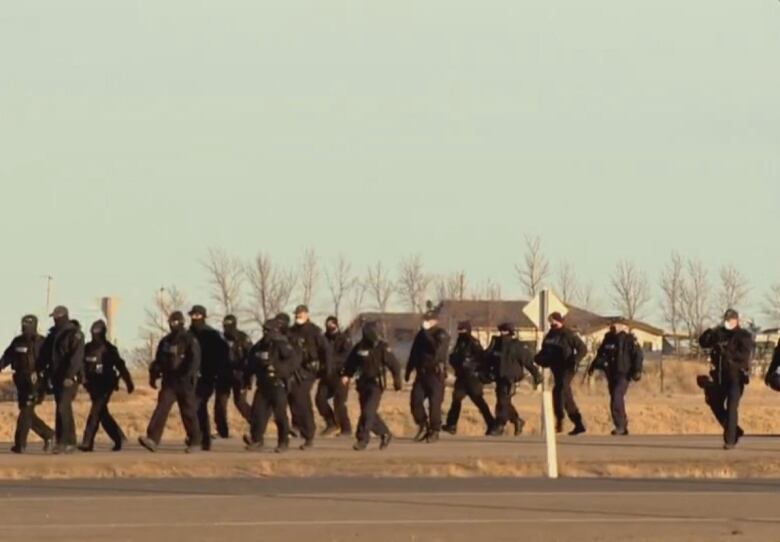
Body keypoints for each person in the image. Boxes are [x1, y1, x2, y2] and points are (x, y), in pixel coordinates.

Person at [140, 311, 203, 453]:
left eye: (176, 322)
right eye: (171, 322)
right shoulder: (165, 341)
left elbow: (194, 359)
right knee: (162, 408)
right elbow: (159, 360)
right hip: (169, 382)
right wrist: (153, 375)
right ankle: (152, 439)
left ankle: (195, 441)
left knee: (188, 411)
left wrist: (189, 376)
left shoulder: (189, 339)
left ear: (181, 322)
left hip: (185, 382)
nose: (173, 325)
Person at [341, 322, 402, 451]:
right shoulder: (359, 347)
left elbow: (394, 365)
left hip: (376, 385)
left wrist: (397, 381)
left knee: (368, 411)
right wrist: (346, 375)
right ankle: (385, 433)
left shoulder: (382, 347)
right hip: (362, 384)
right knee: (368, 413)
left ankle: (362, 439)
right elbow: (351, 363)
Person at [699, 309, 754, 449]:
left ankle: (730, 440)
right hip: (720, 376)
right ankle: (734, 430)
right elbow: (703, 342)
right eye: (726, 319)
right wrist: (710, 332)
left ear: (736, 320)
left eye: (731, 319)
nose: (728, 322)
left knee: (731, 406)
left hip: (736, 376)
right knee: (714, 401)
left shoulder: (743, 335)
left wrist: (728, 353)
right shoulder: (719, 333)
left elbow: (744, 355)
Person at [244, 317, 300, 453]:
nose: (265, 333)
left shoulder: (282, 344)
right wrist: (247, 380)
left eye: (268, 330)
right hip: (263, 385)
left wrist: (277, 368)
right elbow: (250, 364)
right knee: (257, 413)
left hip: (278, 384)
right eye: (264, 330)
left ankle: (283, 441)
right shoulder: (258, 346)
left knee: (280, 414)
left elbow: (293, 363)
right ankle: (257, 440)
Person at [78, 320, 135, 451]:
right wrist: (82, 379)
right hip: (92, 385)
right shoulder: (87, 348)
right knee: (102, 414)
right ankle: (118, 437)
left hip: (105, 385)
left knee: (95, 412)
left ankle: (87, 442)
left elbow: (120, 366)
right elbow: (80, 365)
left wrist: (128, 382)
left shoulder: (109, 349)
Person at [0, 315, 54, 453]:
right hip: (20, 380)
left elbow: (50, 362)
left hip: (36, 380)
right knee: (27, 411)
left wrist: (45, 378)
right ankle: (49, 435)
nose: (25, 328)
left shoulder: (42, 342)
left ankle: (20, 444)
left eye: (28, 326)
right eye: (24, 325)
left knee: (26, 411)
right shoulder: (17, 341)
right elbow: (7, 356)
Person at [38, 306, 84, 454]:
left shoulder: (74, 334)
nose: (55, 320)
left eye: (57, 317)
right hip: (56, 377)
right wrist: (39, 370)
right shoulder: (53, 335)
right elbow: (45, 355)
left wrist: (70, 375)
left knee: (63, 407)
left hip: (70, 377)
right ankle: (66, 441)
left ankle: (66, 442)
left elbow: (76, 358)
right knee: (61, 408)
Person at [535, 312, 588, 436]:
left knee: (560, 390)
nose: (552, 323)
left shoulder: (568, 334)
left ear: (560, 321)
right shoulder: (549, 336)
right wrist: (539, 358)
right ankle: (578, 424)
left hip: (568, 367)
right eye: (550, 321)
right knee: (564, 395)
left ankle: (560, 420)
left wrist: (575, 360)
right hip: (556, 368)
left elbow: (582, 349)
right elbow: (545, 351)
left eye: (554, 321)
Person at [287, 305, 332, 450]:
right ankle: (297, 426)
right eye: (296, 315)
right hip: (295, 370)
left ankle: (308, 433)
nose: (297, 317)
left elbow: (326, 350)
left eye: (300, 314)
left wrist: (327, 369)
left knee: (301, 398)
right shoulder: (291, 331)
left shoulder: (314, 331)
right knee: (293, 397)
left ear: (307, 314)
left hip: (309, 370)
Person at [486, 323, 542, 437]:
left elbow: (528, 362)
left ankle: (499, 426)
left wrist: (537, 375)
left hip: (510, 379)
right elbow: (488, 359)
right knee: (504, 403)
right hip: (499, 378)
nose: (502, 333)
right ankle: (517, 421)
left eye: (504, 331)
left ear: (510, 332)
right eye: (500, 331)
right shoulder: (496, 345)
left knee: (502, 403)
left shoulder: (517, 346)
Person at [588, 320, 643, 436]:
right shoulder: (608, 339)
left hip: (624, 373)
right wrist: (593, 366)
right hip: (611, 373)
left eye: (615, 325)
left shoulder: (629, 340)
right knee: (614, 398)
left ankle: (620, 426)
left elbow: (638, 355)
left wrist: (637, 371)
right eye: (612, 325)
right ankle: (622, 425)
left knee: (617, 396)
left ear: (623, 326)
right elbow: (601, 354)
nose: (613, 327)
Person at [188, 305, 230, 450]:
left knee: (198, 404)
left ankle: (202, 438)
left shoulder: (212, 335)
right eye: (192, 316)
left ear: (203, 317)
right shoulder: (188, 335)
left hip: (207, 375)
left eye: (197, 316)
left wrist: (217, 372)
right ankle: (199, 437)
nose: (194, 318)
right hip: (190, 376)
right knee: (193, 407)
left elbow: (223, 355)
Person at [442, 321, 495, 436]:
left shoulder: (473, 343)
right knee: (456, 400)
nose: (461, 332)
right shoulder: (458, 343)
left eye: (463, 330)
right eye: (459, 330)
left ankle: (491, 423)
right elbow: (453, 357)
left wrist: (473, 366)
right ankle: (451, 425)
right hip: (461, 377)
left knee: (479, 401)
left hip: (472, 378)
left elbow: (482, 358)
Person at [405, 310, 450, 443]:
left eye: (428, 320)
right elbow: (414, 353)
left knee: (434, 403)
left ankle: (435, 430)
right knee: (415, 401)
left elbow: (436, 350)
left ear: (435, 321)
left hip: (435, 374)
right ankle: (423, 425)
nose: (425, 322)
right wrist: (408, 370)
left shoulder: (441, 334)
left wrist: (426, 333)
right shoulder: (421, 335)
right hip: (421, 374)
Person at [215, 314, 253, 436]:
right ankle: (222, 431)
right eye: (225, 325)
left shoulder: (243, 338)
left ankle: (257, 424)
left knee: (240, 402)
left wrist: (248, 375)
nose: (227, 328)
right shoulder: (219, 339)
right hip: (223, 375)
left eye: (229, 325)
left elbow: (250, 356)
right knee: (220, 403)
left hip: (239, 375)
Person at [316, 316, 353, 437]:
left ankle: (346, 429)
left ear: (336, 325)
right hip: (326, 375)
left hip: (340, 375)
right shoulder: (323, 339)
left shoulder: (344, 339)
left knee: (339, 403)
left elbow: (348, 356)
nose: (329, 327)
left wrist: (331, 360)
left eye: (332, 324)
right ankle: (331, 423)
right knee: (320, 399)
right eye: (327, 324)